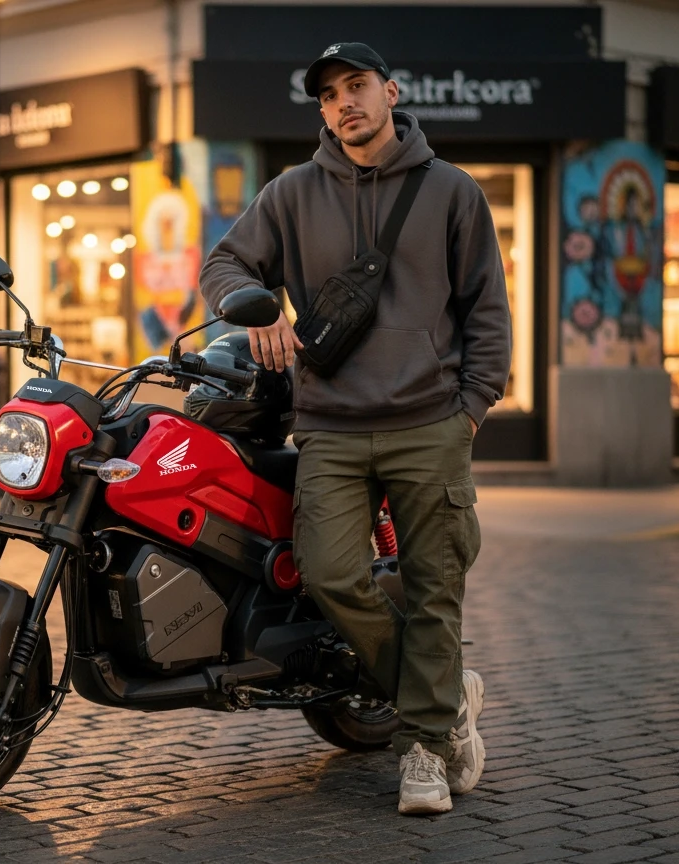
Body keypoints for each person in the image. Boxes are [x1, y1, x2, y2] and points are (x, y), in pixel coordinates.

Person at [199, 42, 512, 815]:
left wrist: (470, 409)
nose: (345, 102)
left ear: (391, 91)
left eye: (358, 85)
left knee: (435, 589)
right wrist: (262, 304)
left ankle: (424, 756)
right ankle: (444, 699)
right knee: (333, 575)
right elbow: (222, 265)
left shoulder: (452, 192)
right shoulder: (292, 193)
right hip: (331, 427)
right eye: (330, 94)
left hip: (430, 423)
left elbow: (488, 312)